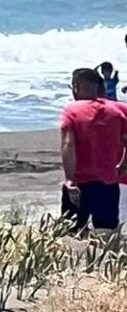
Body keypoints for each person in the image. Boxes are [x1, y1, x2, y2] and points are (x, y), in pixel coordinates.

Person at [60, 67, 127, 235]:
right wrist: (123, 164)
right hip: (108, 184)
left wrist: (69, 179)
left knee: (71, 234)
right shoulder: (116, 111)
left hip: (79, 183)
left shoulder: (71, 110)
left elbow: (68, 144)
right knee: (106, 235)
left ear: (76, 87)